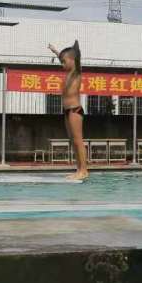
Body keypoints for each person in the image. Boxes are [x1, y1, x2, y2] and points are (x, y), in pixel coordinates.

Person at [48, 40, 89, 181]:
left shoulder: (76, 72)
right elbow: (63, 56)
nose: (62, 64)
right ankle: (79, 169)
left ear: (73, 60)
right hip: (67, 111)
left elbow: (76, 57)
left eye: (64, 62)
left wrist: (75, 49)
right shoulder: (68, 73)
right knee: (73, 141)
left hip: (74, 110)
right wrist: (55, 51)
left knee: (78, 141)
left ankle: (84, 170)